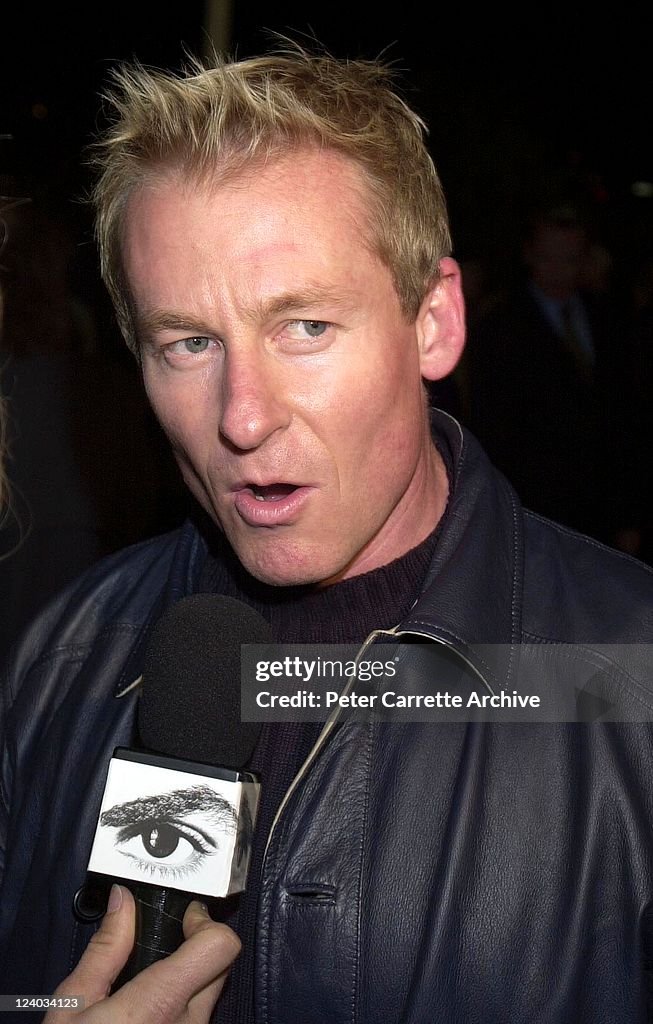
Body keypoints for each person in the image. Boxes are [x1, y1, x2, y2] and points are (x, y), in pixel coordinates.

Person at [0, 43, 652, 1024]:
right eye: (189, 342)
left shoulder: (630, 674)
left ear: (433, 322)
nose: (243, 417)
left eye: (303, 327)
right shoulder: (65, 655)